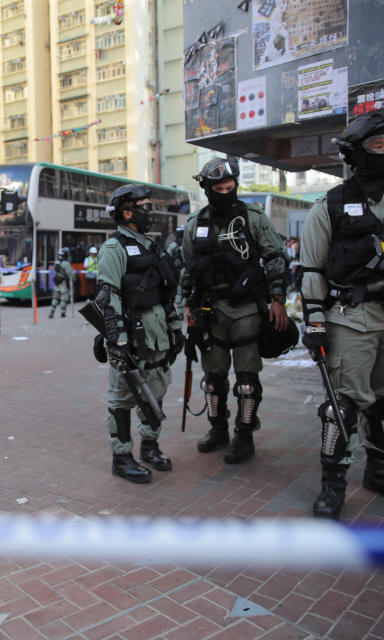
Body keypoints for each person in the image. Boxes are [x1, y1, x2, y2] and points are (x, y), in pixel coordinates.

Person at [300, 113, 384, 520]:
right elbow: (312, 270)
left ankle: (380, 472)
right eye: (378, 146)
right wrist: (315, 324)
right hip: (350, 317)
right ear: (356, 153)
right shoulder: (331, 205)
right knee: (341, 406)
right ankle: (333, 484)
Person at [178, 158, 289, 464]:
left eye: (231, 187)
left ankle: (244, 434)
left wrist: (277, 298)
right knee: (213, 380)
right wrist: (187, 305)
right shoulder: (194, 225)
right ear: (207, 189)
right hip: (209, 312)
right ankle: (218, 429)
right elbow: (187, 270)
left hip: (246, 311)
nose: (226, 193)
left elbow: (275, 256)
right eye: (219, 188)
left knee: (246, 381)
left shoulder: (253, 218)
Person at [97, 184, 183, 483]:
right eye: (145, 207)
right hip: (131, 337)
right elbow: (109, 298)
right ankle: (121, 457)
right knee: (122, 398)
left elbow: (166, 292)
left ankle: (149, 446)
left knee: (155, 393)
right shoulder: (114, 248)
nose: (151, 212)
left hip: (157, 334)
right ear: (127, 213)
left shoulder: (150, 245)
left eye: (151, 205)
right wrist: (118, 343)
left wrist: (174, 329)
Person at [48, 247, 74, 318]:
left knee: (55, 298)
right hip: (63, 282)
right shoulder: (66, 263)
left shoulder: (57, 262)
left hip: (57, 282)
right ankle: (62, 313)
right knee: (64, 297)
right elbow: (71, 274)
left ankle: (51, 312)